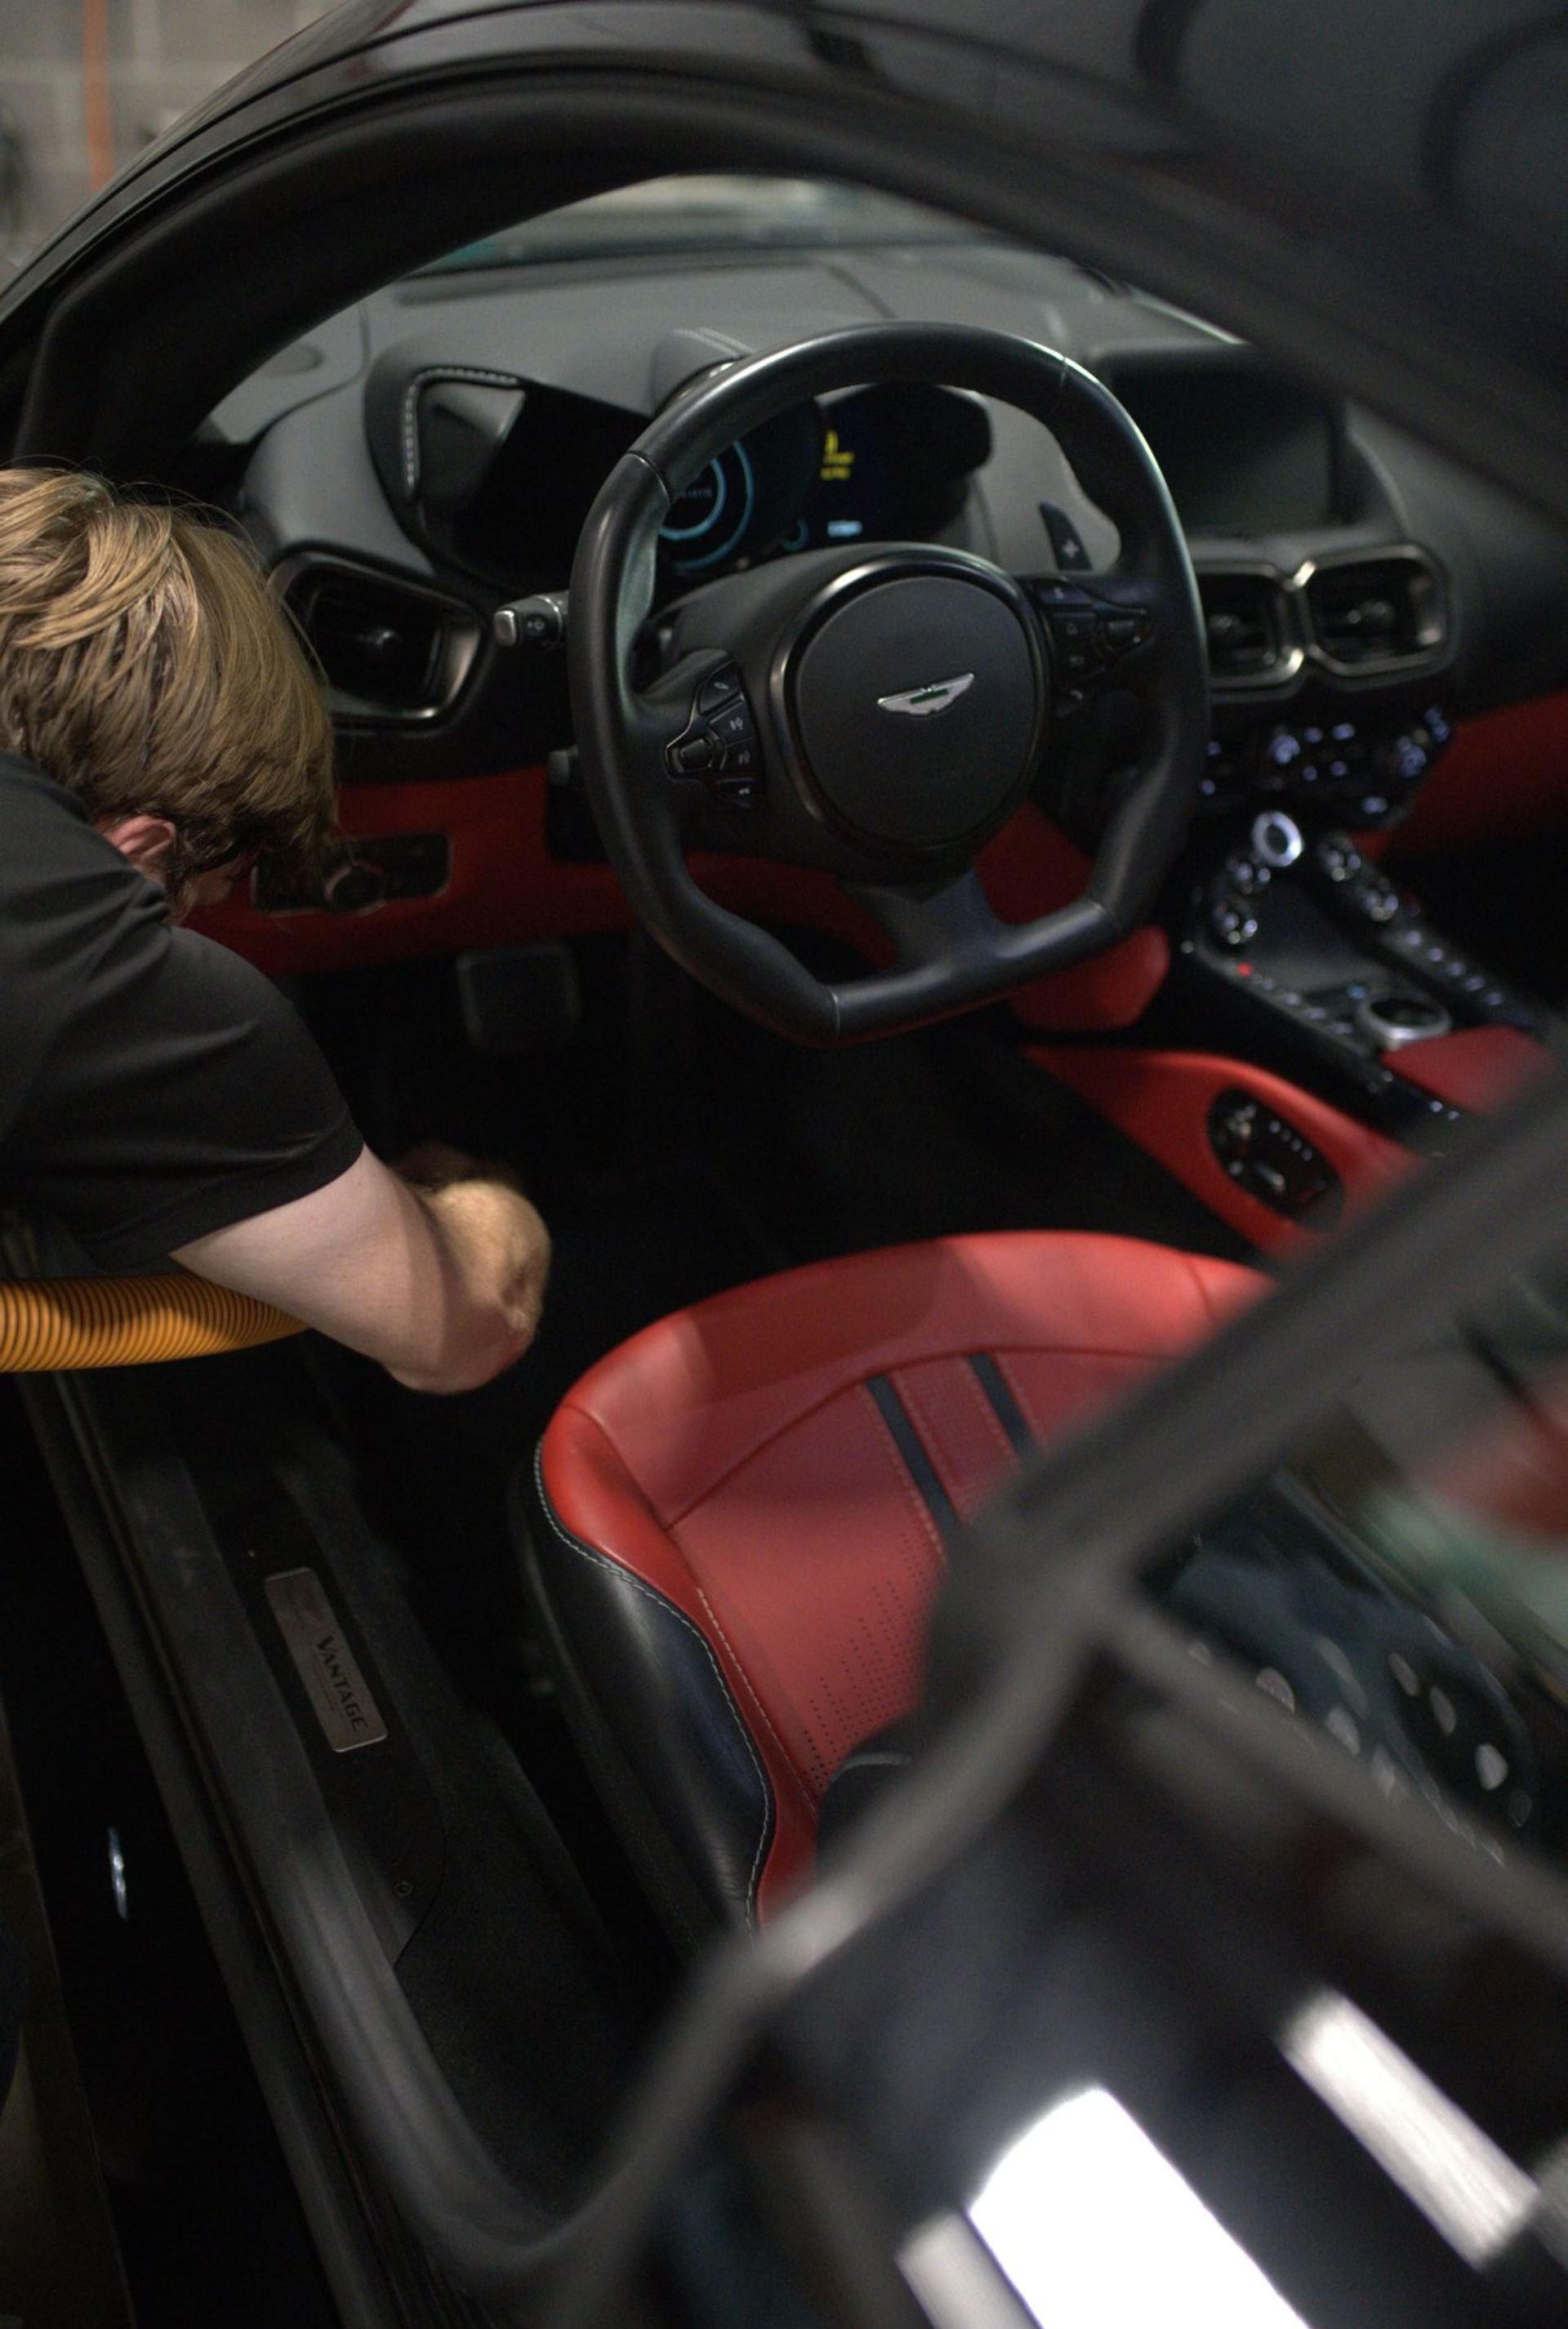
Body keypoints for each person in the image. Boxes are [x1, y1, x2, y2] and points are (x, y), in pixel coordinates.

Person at [0, 465, 551, 1391]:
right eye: (200, 893)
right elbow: (468, 1326)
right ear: (135, 852)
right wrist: (488, 1195)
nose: (184, 925)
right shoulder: (81, 958)